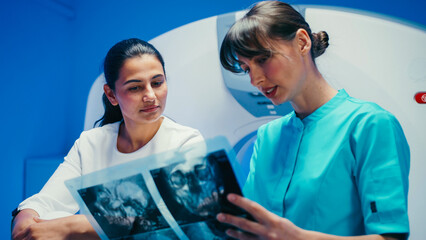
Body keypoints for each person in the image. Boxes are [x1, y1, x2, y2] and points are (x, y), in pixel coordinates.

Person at [216, 1, 410, 240]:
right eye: (246, 68)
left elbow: (391, 237)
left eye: (263, 59)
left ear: (302, 42)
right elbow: (255, 228)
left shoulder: (369, 125)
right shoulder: (267, 136)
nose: (255, 80)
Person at [11, 38, 203, 239]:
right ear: (111, 95)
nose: (150, 96)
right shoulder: (91, 144)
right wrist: (24, 218)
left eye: (157, 83)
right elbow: (47, 201)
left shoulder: (186, 143)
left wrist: (75, 225)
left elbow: (175, 217)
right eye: (135, 87)